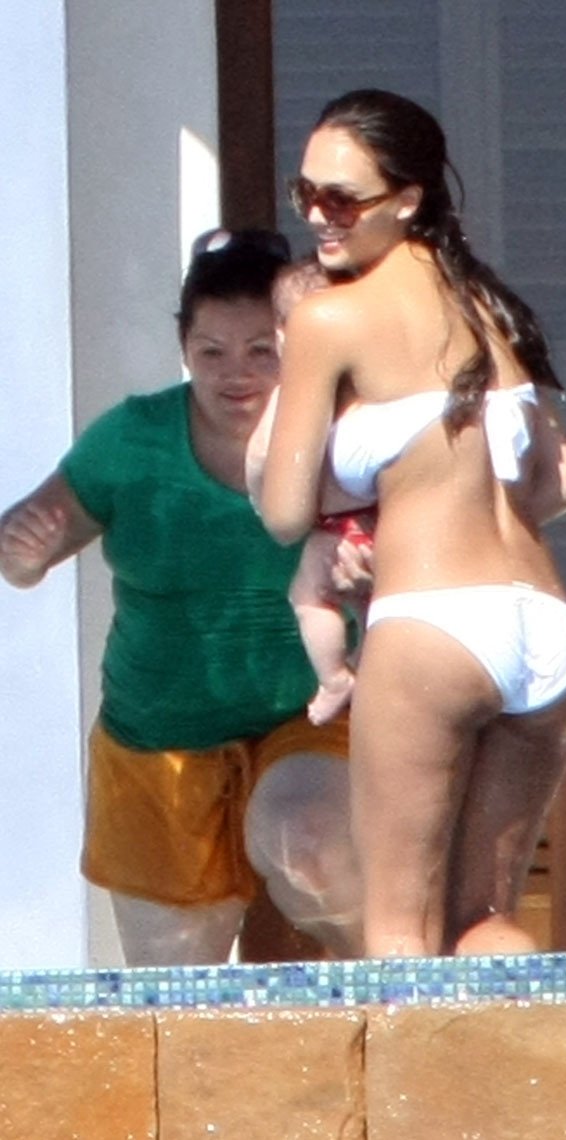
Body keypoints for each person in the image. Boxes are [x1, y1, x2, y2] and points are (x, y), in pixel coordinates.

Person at [259, 88, 566, 959]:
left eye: (342, 200)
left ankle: (418, 1063)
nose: (318, 218)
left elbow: (283, 510)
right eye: (305, 194)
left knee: (399, 930)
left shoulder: (329, 318)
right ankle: (525, 1053)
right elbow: (560, 482)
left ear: (407, 199)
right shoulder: (492, 311)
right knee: (486, 922)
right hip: (546, 628)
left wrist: (356, 503)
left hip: (434, 623)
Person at [0, 227, 335, 966]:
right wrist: (20, 553)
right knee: (170, 991)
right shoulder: (132, 440)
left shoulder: (340, 434)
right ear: (184, 348)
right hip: (159, 737)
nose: (235, 374)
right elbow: (25, 551)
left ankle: (392, 1023)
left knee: (316, 847)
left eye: (261, 351)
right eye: (212, 352)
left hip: (310, 717)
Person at [247, 255, 376, 726]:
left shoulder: (292, 397)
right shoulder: (374, 389)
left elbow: (262, 458)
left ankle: (335, 677)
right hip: (383, 519)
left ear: (282, 338)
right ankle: (366, 665)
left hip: (332, 530)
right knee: (376, 609)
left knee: (309, 599)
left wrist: (259, 495)